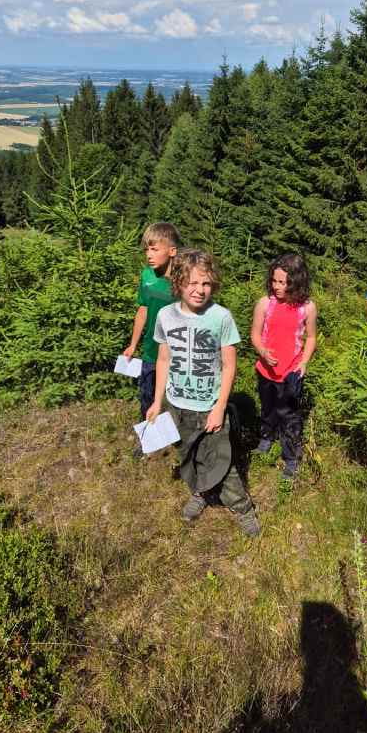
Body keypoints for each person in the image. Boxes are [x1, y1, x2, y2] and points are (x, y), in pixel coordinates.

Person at [146, 249, 260, 537]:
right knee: (189, 455)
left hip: (209, 406)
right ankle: (201, 493)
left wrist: (220, 407)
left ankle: (242, 507)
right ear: (179, 282)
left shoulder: (220, 317)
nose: (200, 290)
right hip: (177, 404)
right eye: (193, 283)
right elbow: (163, 359)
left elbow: (229, 365)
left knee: (221, 460)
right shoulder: (166, 316)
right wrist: (157, 401)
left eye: (206, 283)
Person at [251, 253, 317, 478]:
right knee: (268, 408)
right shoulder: (265, 303)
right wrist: (262, 351)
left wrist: (304, 362)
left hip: (291, 372)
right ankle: (267, 437)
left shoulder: (307, 307)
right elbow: (255, 334)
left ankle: (291, 458)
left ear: (296, 281)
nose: (277, 286)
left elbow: (311, 338)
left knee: (289, 415)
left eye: (283, 282)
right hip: (265, 370)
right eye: (274, 280)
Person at [124, 222, 180, 419]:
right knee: (146, 396)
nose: (149, 255)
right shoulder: (147, 275)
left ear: (172, 251)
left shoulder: (183, 281)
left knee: (173, 401)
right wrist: (133, 345)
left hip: (176, 353)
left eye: (155, 250)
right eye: (146, 250)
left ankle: (176, 433)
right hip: (150, 350)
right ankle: (147, 433)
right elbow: (143, 310)